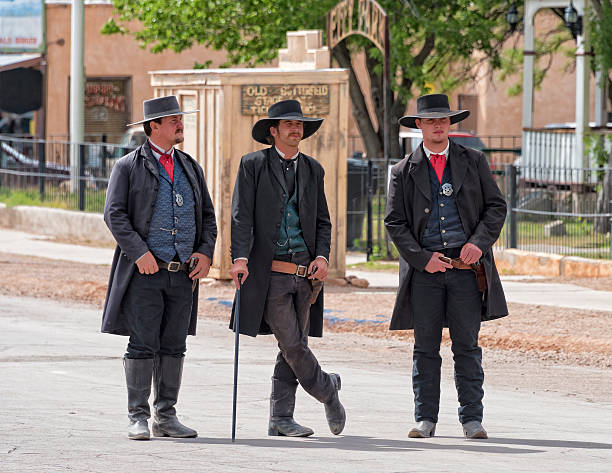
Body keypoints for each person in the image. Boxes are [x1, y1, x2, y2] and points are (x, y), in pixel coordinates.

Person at [384, 94, 508, 439]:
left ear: (449, 124)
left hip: (466, 270)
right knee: (425, 347)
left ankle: (472, 419)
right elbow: (394, 223)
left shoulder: (474, 160)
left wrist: (477, 244)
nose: (438, 126)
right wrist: (423, 259)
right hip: (425, 271)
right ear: (419, 126)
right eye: (431, 121)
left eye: (443, 120)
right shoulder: (402, 171)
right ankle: (425, 419)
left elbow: (496, 207)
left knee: (467, 346)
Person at [102, 95, 217, 440]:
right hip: (144, 274)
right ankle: (138, 415)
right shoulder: (127, 166)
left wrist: (205, 253)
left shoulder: (190, 167)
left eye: (180, 119)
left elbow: (208, 218)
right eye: (173, 120)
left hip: (182, 274)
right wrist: (139, 253)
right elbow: (114, 214)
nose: (180, 125)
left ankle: (166, 416)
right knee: (142, 343)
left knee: (174, 344)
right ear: (154, 126)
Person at [228, 99, 345, 438]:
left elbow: (323, 221)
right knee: (293, 344)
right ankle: (327, 389)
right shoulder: (252, 165)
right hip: (271, 274)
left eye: (300, 124)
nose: (297, 129)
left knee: (290, 348)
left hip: (306, 276)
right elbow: (240, 216)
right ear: (273, 131)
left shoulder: (314, 169)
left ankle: (281, 418)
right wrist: (240, 258)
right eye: (289, 124)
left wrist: (322, 258)